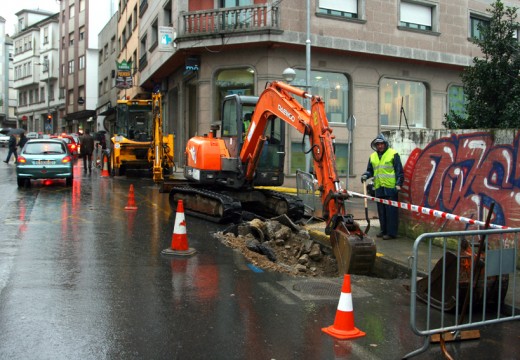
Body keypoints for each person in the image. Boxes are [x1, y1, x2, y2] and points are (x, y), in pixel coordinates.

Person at [361, 134, 404, 240]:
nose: (380, 146)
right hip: (379, 187)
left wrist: (398, 184)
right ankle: (383, 230)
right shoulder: (373, 157)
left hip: (390, 187)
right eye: (378, 144)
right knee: (381, 211)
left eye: (381, 144)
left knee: (391, 211)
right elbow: (370, 170)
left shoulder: (393, 154)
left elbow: (399, 171)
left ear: (385, 144)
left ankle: (391, 233)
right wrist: (366, 175)